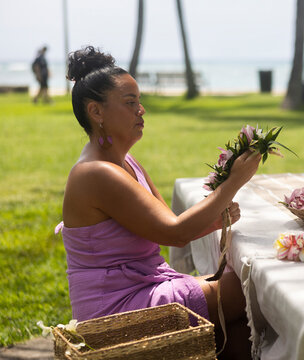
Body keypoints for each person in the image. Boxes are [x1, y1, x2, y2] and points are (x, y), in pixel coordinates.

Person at [57, 46, 260, 359]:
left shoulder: (126, 162)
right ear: (96, 112)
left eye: (139, 101)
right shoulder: (95, 173)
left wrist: (215, 219)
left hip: (145, 287)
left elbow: (166, 222)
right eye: (130, 103)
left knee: (235, 317)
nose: (141, 110)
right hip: (118, 310)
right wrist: (234, 181)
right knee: (249, 290)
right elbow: (175, 233)